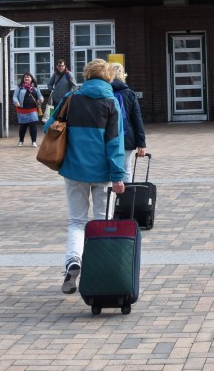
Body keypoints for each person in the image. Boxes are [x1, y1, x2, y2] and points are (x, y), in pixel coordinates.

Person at [57, 59, 126, 295]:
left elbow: (50, 127)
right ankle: (99, 270)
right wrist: (118, 176)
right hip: (103, 172)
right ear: (108, 77)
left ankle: (73, 261)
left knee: (76, 221)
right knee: (101, 222)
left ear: (87, 75)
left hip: (74, 169)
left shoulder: (72, 98)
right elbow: (115, 143)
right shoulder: (111, 103)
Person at [108, 62, 147, 182]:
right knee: (125, 170)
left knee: (108, 171)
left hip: (108, 137)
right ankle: (125, 199)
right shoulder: (129, 93)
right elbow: (137, 119)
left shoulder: (105, 92)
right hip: (127, 138)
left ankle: (110, 199)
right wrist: (141, 143)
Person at [12, 72, 45, 147]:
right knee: (23, 126)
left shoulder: (35, 87)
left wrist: (41, 99)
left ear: (31, 79)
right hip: (22, 110)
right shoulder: (19, 87)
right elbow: (15, 96)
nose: (26, 79)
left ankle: (34, 141)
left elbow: (40, 96)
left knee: (33, 125)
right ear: (23, 79)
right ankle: (21, 141)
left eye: (28, 77)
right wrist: (16, 102)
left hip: (32, 109)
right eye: (25, 77)